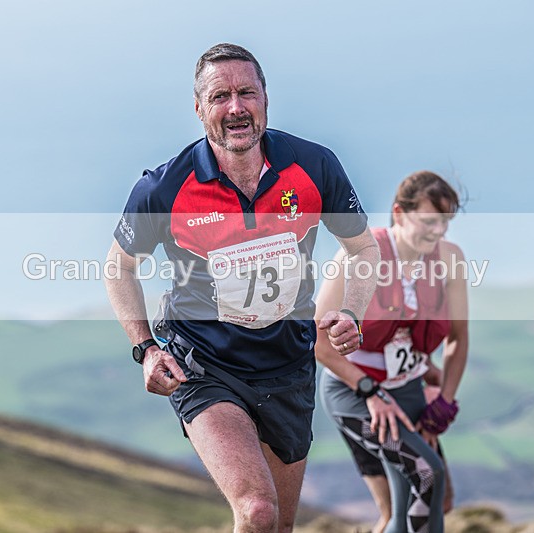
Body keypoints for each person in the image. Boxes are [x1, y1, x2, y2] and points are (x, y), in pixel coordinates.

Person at [104, 43, 380, 533]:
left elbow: (364, 249)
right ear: (199, 109)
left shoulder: (314, 166)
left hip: (288, 365)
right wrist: (145, 348)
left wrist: (351, 313)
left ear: (265, 100)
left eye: (246, 93)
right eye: (219, 97)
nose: (235, 107)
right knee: (256, 510)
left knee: (278, 527)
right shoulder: (165, 189)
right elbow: (118, 267)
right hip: (206, 364)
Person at [315, 171, 468, 533]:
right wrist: (370, 391)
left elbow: (458, 337)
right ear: (399, 213)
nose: (439, 232)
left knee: (424, 499)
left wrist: (443, 403)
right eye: (430, 221)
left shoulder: (450, 260)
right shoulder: (360, 256)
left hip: (408, 387)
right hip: (354, 391)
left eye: (446, 223)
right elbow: (318, 341)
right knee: (426, 477)